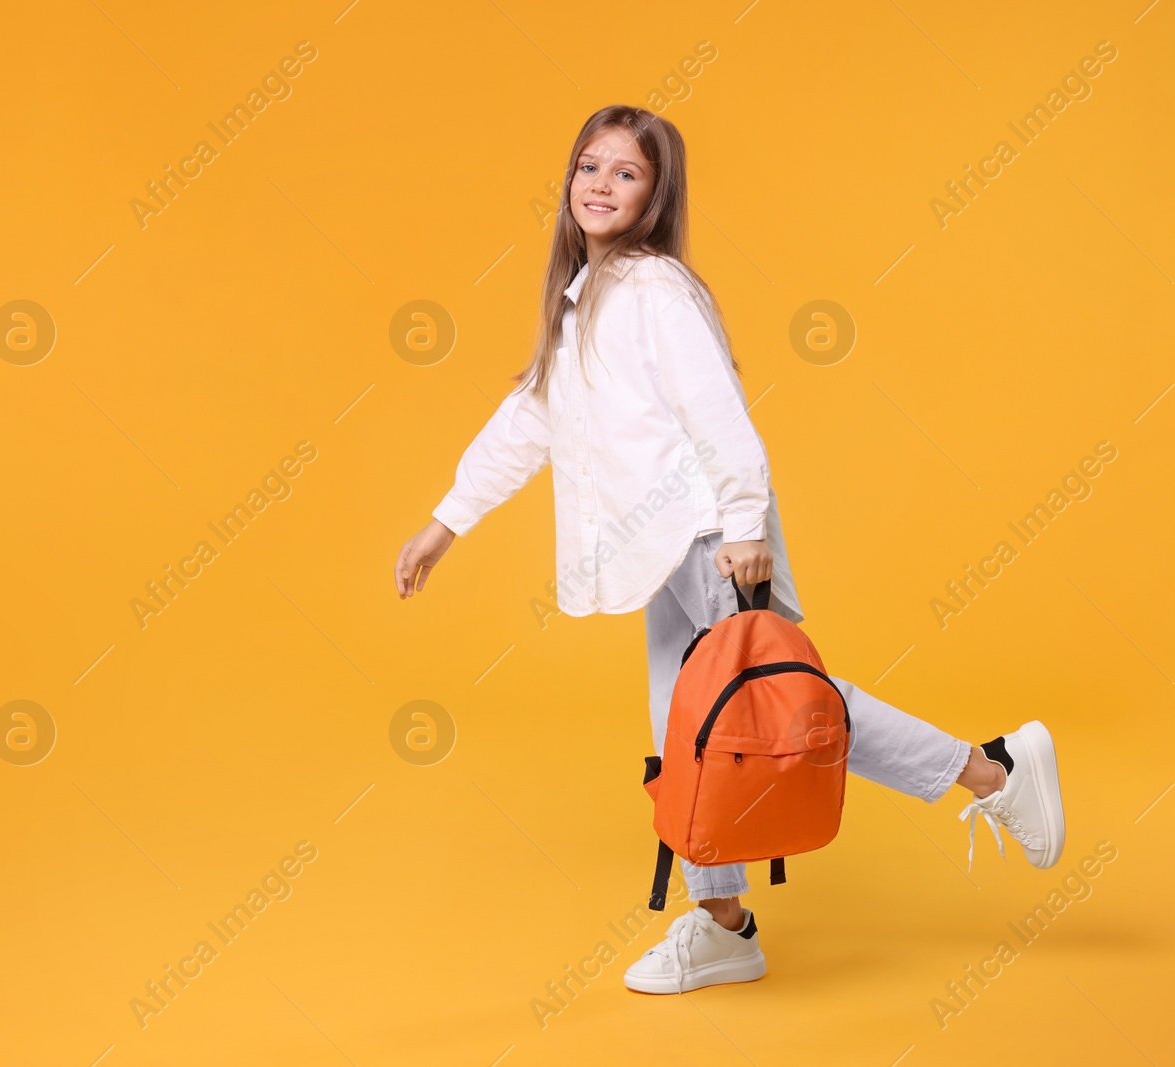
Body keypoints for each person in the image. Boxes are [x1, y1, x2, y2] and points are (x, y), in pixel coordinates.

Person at [394, 105, 1066, 995]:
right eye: (588, 167)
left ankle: (994, 770)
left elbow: (719, 414)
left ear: (655, 193)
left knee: (781, 708)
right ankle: (726, 927)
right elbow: (530, 418)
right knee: (696, 734)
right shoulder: (584, 301)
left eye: (624, 173)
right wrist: (445, 522)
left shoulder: (655, 291)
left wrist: (745, 525)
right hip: (663, 552)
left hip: (711, 537)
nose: (600, 185)